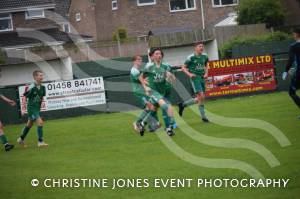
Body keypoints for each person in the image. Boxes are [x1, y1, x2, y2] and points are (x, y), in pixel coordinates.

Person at [139, 48, 176, 136]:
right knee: (165, 107)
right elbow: (140, 77)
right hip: (154, 92)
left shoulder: (166, 66)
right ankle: (168, 129)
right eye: (156, 54)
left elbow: (173, 79)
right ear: (153, 56)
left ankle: (142, 124)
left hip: (162, 92)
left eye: (160, 54)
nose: (158, 55)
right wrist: (145, 87)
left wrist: (170, 78)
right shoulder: (149, 67)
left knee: (154, 109)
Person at [178, 42, 210, 122]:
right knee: (201, 96)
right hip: (195, 78)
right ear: (195, 48)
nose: (201, 48)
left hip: (202, 77)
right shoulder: (191, 57)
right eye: (200, 46)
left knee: (201, 98)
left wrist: (206, 73)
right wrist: (190, 74)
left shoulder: (205, 56)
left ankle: (183, 105)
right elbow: (183, 68)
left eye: (202, 46)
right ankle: (204, 117)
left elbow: (206, 65)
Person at [17, 70, 48, 147]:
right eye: (40, 75)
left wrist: (39, 107)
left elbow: (41, 98)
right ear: (35, 77)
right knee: (40, 122)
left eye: (42, 75)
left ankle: (21, 138)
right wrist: (23, 109)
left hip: (36, 109)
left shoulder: (43, 87)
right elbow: (24, 96)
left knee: (29, 124)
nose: (42, 77)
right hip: (31, 108)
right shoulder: (32, 87)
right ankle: (40, 142)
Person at [130, 55, 156, 136]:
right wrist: (147, 85)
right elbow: (142, 81)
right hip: (139, 92)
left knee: (150, 108)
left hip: (142, 92)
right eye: (138, 59)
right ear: (134, 61)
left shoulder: (137, 70)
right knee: (151, 108)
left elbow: (142, 80)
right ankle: (139, 123)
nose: (140, 61)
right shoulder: (134, 70)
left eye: (141, 59)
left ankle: (141, 123)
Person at [282, 28, 300, 118]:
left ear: (296, 34)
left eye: (293, 34)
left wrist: (286, 70)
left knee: (291, 92)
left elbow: (291, 59)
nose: (293, 36)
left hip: (299, 73)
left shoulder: (294, 46)